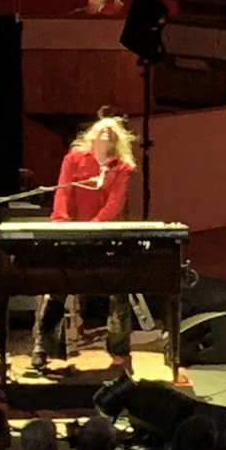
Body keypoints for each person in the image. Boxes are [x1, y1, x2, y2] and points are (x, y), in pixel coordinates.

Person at [30, 114, 137, 372]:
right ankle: (42, 347)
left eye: (112, 132)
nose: (106, 134)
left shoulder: (123, 168)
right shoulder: (73, 160)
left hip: (104, 236)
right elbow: (63, 192)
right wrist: (62, 222)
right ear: (93, 135)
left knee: (120, 290)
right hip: (72, 234)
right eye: (102, 130)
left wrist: (95, 226)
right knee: (55, 288)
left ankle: (119, 349)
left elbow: (115, 202)